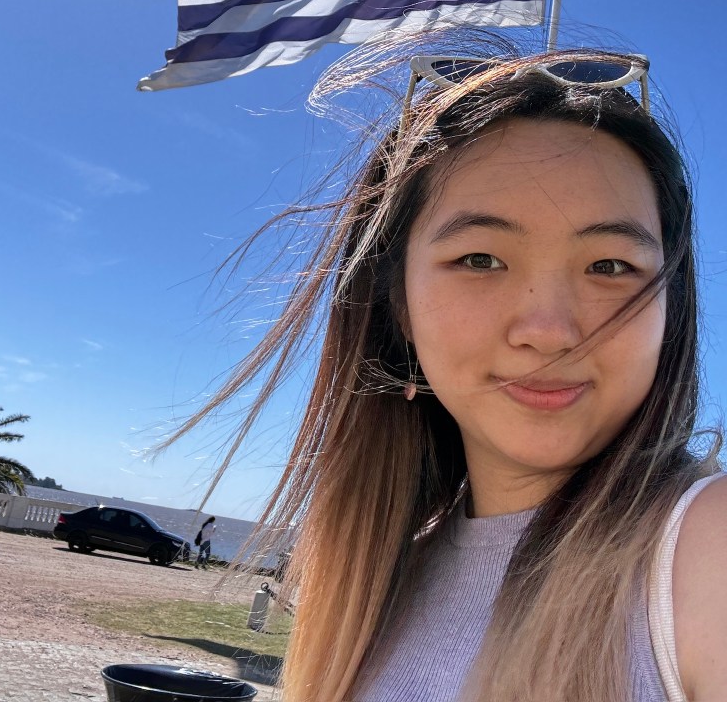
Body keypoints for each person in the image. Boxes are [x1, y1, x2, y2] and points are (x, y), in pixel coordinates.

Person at [175, 41, 727, 702]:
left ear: (671, 308)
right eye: (480, 260)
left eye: (610, 266)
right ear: (399, 307)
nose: (549, 329)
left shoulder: (705, 551)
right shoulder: (382, 578)